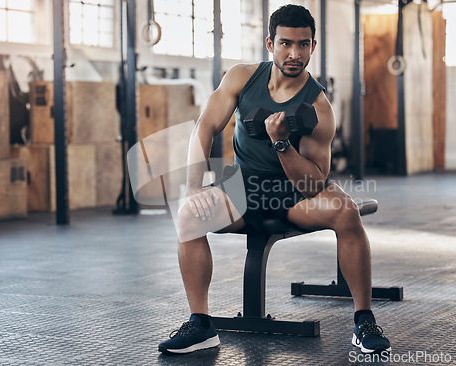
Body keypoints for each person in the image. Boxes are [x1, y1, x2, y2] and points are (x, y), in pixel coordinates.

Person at [158, 4, 391, 355]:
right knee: (188, 215)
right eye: (285, 43)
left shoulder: (319, 107)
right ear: (270, 43)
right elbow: (204, 128)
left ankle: (364, 320)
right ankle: (201, 324)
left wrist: (281, 144)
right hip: (241, 187)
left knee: (345, 211)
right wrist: (193, 188)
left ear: (313, 46)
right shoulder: (241, 78)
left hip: (293, 195)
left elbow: (313, 183)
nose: (294, 53)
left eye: (303, 44)